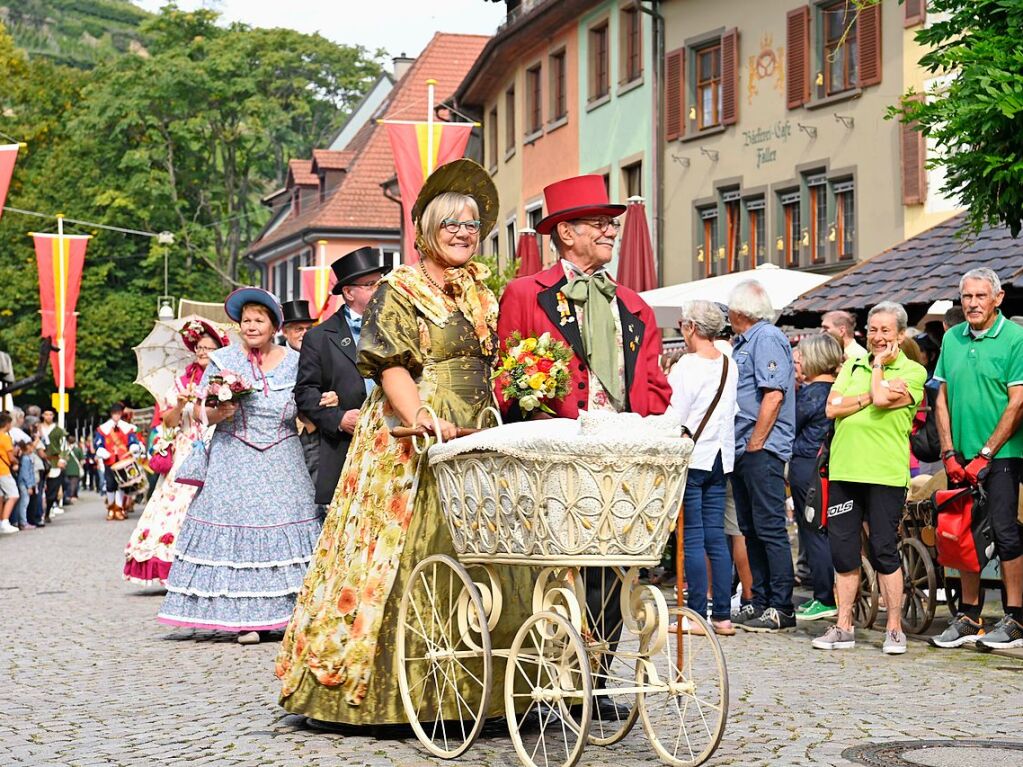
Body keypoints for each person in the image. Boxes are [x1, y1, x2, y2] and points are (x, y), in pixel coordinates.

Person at [277, 158, 533, 724]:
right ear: (427, 232)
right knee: (410, 546)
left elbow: (495, 360)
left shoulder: (481, 294)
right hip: (412, 428)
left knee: (492, 547)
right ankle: (400, 693)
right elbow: (391, 363)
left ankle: (499, 691)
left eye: (471, 225)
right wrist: (420, 415)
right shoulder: (401, 288)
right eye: (452, 224)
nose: (464, 233)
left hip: (480, 423)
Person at [157, 289, 320, 644]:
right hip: (233, 456)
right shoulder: (222, 361)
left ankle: (294, 614)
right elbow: (199, 411)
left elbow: (306, 407)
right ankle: (246, 618)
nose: (251, 325)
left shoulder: (296, 361)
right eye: (246, 319)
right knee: (239, 527)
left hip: (282, 457)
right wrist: (220, 410)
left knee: (285, 523)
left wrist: (324, 403)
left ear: (274, 325)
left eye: (259, 319)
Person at [812, 301, 926, 655]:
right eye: (873, 330)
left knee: (883, 549)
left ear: (900, 335)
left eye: (885, 331)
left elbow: (880, 398)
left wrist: (875, 371)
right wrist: (869, 390)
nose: (877, 337)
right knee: (843, 551)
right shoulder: (852, 365)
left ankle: (893, 628)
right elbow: (832, 407)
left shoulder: (913, 372)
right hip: (845, 470)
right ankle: (844, 625)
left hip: (885, 474)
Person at [932, 268, 1023, 651]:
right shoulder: (951, 338)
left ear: (997, 299)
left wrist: (985, 453)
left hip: (1002, 454)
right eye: (966, 297)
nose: (972, 303)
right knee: (960, 533)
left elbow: (1018, 401)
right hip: (960, 456)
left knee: (1004, 532)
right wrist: (950, 453)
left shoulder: (1016, 338)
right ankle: (969, 615)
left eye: (980, 296)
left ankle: (1016, 617)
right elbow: (941, 397)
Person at [123, 319, 228, 586]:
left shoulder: (228, 378)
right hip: (185, 452)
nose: (203, 352)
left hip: (218, 448)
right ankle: (170, 563)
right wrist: (180, 405)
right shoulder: (181, 382)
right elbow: (167, 422)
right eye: (199, 347)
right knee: (174, 505)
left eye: (208, 347)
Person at [728, 280, 797, 632]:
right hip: (744, 447)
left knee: (769, 526)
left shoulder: (767, 338)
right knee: (751, 527)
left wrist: (756, 441)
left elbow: (774, 394)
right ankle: (759, 600)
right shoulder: (746, 342)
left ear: (739, 310)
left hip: (761, 447)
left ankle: (781, 605)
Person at [293, 249, 384, 509]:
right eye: (370, 285)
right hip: (346, 445)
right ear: (348, 292)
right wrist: (338, 418)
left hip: (394, 435)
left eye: (380, 283)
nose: (379, 290)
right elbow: (305, 393)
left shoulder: (396, 325)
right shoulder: (320, 337)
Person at [668, 300, 738, 635]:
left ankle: (694, 614)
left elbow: (674, 414)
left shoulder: (686, 365)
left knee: (692, 537)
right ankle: (722, 616)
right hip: (721, 457)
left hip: (694, 455)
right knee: (715, 538)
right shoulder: (728, 363)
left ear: (692, 327)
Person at [790, 333, 844, 622]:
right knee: (822, 528)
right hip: (826, 463)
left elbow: (791, 427)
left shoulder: (811, 394)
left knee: (812, 530)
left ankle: (823, 596)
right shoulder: (837, 389)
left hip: (807, 465)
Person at [279, 300, 321, 487]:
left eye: (308, 328)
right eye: (298, 329)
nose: (304, 333)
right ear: (285, 331)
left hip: (314, 432)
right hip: (284, 433)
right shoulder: (277, 357)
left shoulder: (320, 353)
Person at [94, 403, 141, 521]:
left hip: (123, 460)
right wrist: (102, 451)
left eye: (119, 414)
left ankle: (119, 509)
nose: (117, 416)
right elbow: (98, 443)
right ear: (111, 414)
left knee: (121, 485)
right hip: (109, 461)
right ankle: (111, 508)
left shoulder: (127, 428)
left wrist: (133, 447)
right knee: (110, 485)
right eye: (115, 414)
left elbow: (133, 441)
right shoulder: (103, 429)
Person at [39, 407, 68, 520]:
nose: (48, 417)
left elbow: (64, 446)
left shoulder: (58, 430)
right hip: (40, 461)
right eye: (46, 414)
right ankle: (40, 512)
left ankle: (48, 511)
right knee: (40, 489)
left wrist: (62, 460)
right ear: (42, 415)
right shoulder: (39, 428)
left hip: (54, 462)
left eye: (50, 414)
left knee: (52, 490)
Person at [0, 412, 20, 535]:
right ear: (7, 424)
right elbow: (11, 457)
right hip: (3, 470)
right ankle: (5, 522)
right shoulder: (5, 437)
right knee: (13, 495)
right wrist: (17, 460)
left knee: (1, 497)